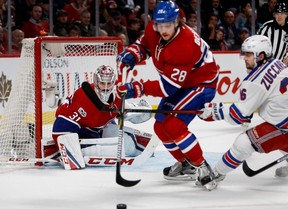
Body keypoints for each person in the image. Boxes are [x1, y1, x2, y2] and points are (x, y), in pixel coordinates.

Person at [116, 1, 219, 190]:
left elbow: (168, 88)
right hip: (180, 83)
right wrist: (133, 53)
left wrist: (136, 88)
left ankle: (203, 167)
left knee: (174, 125)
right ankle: (185, 163)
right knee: (160, 127)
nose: (163, 30)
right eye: (160, 26)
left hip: (201, 83)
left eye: (168, 26)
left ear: (177, 22)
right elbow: (144, 44)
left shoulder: (184, 45)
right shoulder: (154, 28)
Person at [199, 35, 288, 181]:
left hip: (285, 127)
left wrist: (214, 111)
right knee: (275, 132)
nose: (244, 58)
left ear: (261, 55)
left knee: (245, 142)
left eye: (248, 54)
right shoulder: (276, 63)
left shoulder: (255, 81)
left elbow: (238, 116)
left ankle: (215, 174)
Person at [48, 65, 152, 169]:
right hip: (80, 132)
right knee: (116, 151)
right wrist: (68, 152)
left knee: (130, 145)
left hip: (98, 128)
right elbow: (60, 126)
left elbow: (124, 112)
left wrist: (140, 112)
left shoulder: (117, 96)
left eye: (109, 83)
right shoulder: (83, 100)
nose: (106, 87)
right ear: (96, 82)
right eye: (102, 83)